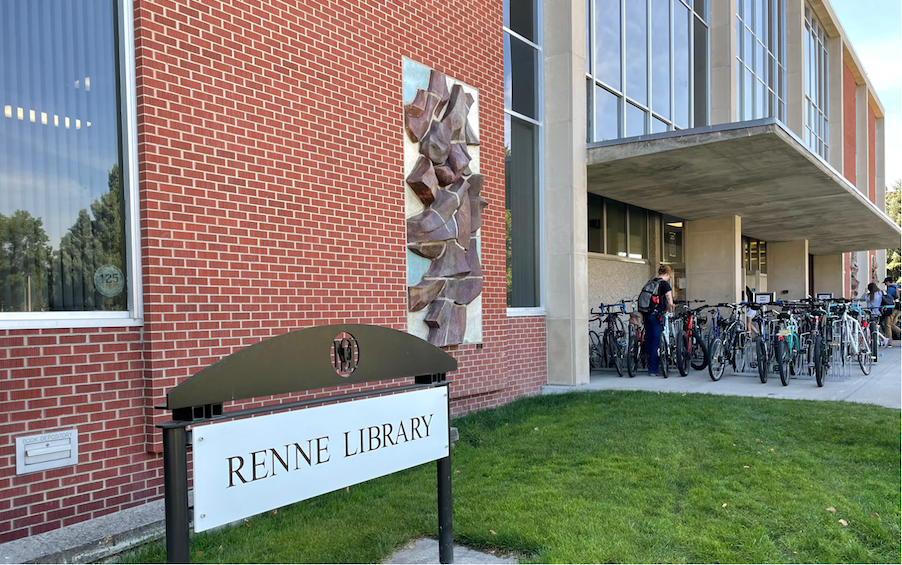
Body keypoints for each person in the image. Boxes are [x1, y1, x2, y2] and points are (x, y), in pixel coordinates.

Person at [644, 265, 674, 376]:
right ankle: (653, 369)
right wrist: (665, 310)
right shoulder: (664, 284)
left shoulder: (650, 282)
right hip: (657, 315)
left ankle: (647, 364)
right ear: (667, 274)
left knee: (650, 340)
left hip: (647, 314)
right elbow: (670, 302)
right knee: (657, 341)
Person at [882, 277, 901, 346]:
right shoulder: (898, 287)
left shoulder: (890, 289)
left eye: (886, 283)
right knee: (892, 324)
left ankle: (889, 342)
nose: (886, 285)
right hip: (899, 308)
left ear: (888, 282)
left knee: (888, 325)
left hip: (892, 308)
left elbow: (888, 299)